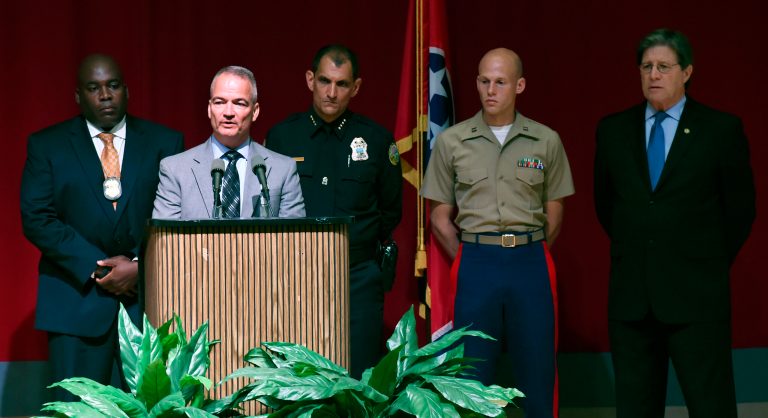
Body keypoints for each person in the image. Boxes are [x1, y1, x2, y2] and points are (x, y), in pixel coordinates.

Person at [593, 28, 755, 418]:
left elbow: (740, 210)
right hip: (632, 301)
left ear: (687, 72)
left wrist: (703, 260)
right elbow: (606, 206)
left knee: (711, 406)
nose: (654, 75)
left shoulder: (720, 130)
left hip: (697, 298)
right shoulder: (613, 130)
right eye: (647, 66)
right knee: (635, 409)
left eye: (664, 66)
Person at [20, 54, 184, 401]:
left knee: (147, 408)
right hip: (75, 304)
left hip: (146, 306)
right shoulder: (47, 145)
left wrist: (138, 267)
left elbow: (174, 219)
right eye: (94, 88)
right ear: (79, 97)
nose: (105, 95)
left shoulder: (164, 143)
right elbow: (37, 218)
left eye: (112, 86)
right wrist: (101, 269)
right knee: (76, 410)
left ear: (127, 90)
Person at [421, 48, 574, 418]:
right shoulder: (452, 141)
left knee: (537, 370)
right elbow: (439, 216)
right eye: (484, 81)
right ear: (476, 82)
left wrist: (526, 247)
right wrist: (470, 255)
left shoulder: (545, 140)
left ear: (519, 85)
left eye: (501, 82)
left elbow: (555, 211)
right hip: (476, 262)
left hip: (529, 261)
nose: (491, 90)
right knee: (472, 372)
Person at [265, 44, 402, 378]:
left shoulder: (376, 140)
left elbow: (390, 210)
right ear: (310, 79)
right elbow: (268, 206)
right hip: (296, 273)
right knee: (299, 378)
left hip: (357, 275)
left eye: (341, 84)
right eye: (324, 81)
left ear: (355, 87)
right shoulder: (283, 137)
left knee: (359, 378)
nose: (331, 92)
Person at [152, 66, 305, 219]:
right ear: (209, 108)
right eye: (219, 102)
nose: (228, 112)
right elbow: (167, 239)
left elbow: (294, 238)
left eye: (239, 103)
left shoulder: (283, 169)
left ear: (255, 111)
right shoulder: (175, 170)